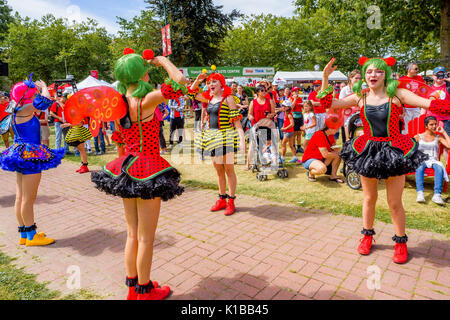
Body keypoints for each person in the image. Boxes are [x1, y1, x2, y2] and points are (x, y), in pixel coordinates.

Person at [319, 57, 450, 264]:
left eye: (378, 72)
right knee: (369, 199)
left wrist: (440, 98)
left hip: (395, 150)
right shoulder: (360, 97)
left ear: (385, 74)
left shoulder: (398, 95)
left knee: (394, 202)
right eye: (369, 71)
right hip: (368, 150)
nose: (373, 75)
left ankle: (400, 242)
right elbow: (328, 104)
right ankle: (367, 236)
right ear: (364, 75)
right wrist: (325, 77)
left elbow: (432, 104)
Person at [91, 48, 186, 300]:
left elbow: (120, 141)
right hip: (147, 167)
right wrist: (163, 60)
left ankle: (133, 289)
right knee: (146, 237)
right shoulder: (147, 101)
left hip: (125, 167)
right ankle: (145, 292)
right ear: (142, 73)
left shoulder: (119, 104)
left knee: (132, 233)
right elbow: (180, 82)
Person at [0, 78, 65, 247]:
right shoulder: (27, 107)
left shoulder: (15, 108)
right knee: (28, 198)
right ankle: (32, 236)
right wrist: (43, 87)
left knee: (21, 196)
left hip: (19, 152)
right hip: (30, 154)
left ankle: (24, 233)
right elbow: (46, 101)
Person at [191, 70, 245, 216]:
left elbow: (237, 123)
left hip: (226, 137)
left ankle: (231, 201)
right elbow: (190, 94)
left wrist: (242, 142)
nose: (210, 84)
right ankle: (222, 199)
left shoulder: (229, 99)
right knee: (219, 171)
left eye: (214, 81)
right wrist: (198, 80)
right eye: (209, 82)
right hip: (212, 138)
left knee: (229, 170)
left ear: (222, 84)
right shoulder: (209, 99)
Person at [415, 116, 450, 205]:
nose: (434, 126)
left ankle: (437, 195)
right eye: (431, 124)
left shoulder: (438, 137)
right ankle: (420, 193)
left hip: (433, 160)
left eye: (435, 124)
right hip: (421, 159)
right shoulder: (418, 137)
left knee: (439, 167)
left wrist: (444, 132)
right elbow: (409, 147)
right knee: (419, 166)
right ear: (426, 125)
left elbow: (449, 145)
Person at [245, 85, 276, 170]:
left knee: (267, 145)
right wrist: (250, 117)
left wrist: (270, 115)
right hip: (257, 126)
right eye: (262, 90)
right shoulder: (253, 102)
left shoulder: (269, 101)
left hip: (267, 125)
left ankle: (265, 162)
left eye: (265, 90)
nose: (265, 92)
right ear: (258, 92)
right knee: (254, 145)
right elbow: (249, 114)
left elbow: (274, 113)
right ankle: (248, 164)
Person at [399, 63, 425, 135]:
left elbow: (423, 90)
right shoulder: (402, 80)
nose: (418, 70)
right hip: (406, 108)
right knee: (407, 128)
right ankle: (407, 143)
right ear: (409, 70)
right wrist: (402, 107)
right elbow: (399, 95)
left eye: (417, 69)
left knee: (418, 126)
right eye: (416, 69)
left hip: (417, 107)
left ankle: (416, 143)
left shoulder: (420, 78)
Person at [340, 70, 362, 142]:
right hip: (347, 116)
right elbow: (340, 103)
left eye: (360, 78)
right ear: (350, 78)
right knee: (347, 139)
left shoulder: (362, 89)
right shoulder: (345, 90)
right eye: (356, 78)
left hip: (359, 117)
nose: (358, 80)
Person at [290, 87, 304, 153]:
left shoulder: (300, 99)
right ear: (292, 92)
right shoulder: (291, 99)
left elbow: (302, 107)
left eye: (297, 91)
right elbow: (291, 107)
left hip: (300, 116)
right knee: (294, 133)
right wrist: (295, 99)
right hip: (294, 116)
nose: (297, 92)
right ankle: (293, 146)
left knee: (299, 133)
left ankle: (299, 147)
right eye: (295, 91)